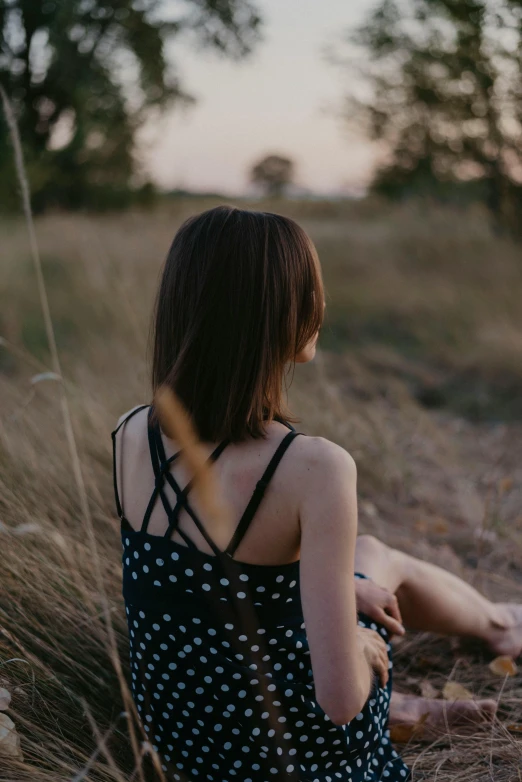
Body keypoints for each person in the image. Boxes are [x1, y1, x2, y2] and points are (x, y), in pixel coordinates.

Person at [112, 206, 521, 782]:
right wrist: (354, 642)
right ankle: (498, 623)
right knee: (377, 560)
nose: (321, 308)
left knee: (357, 576)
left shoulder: (130, 431)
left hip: (183, 741)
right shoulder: (313, 467)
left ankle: (436, 678)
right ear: (276, 314)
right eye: (309, 290)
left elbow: (190, 588)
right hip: (294, 752)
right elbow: (339, 701)